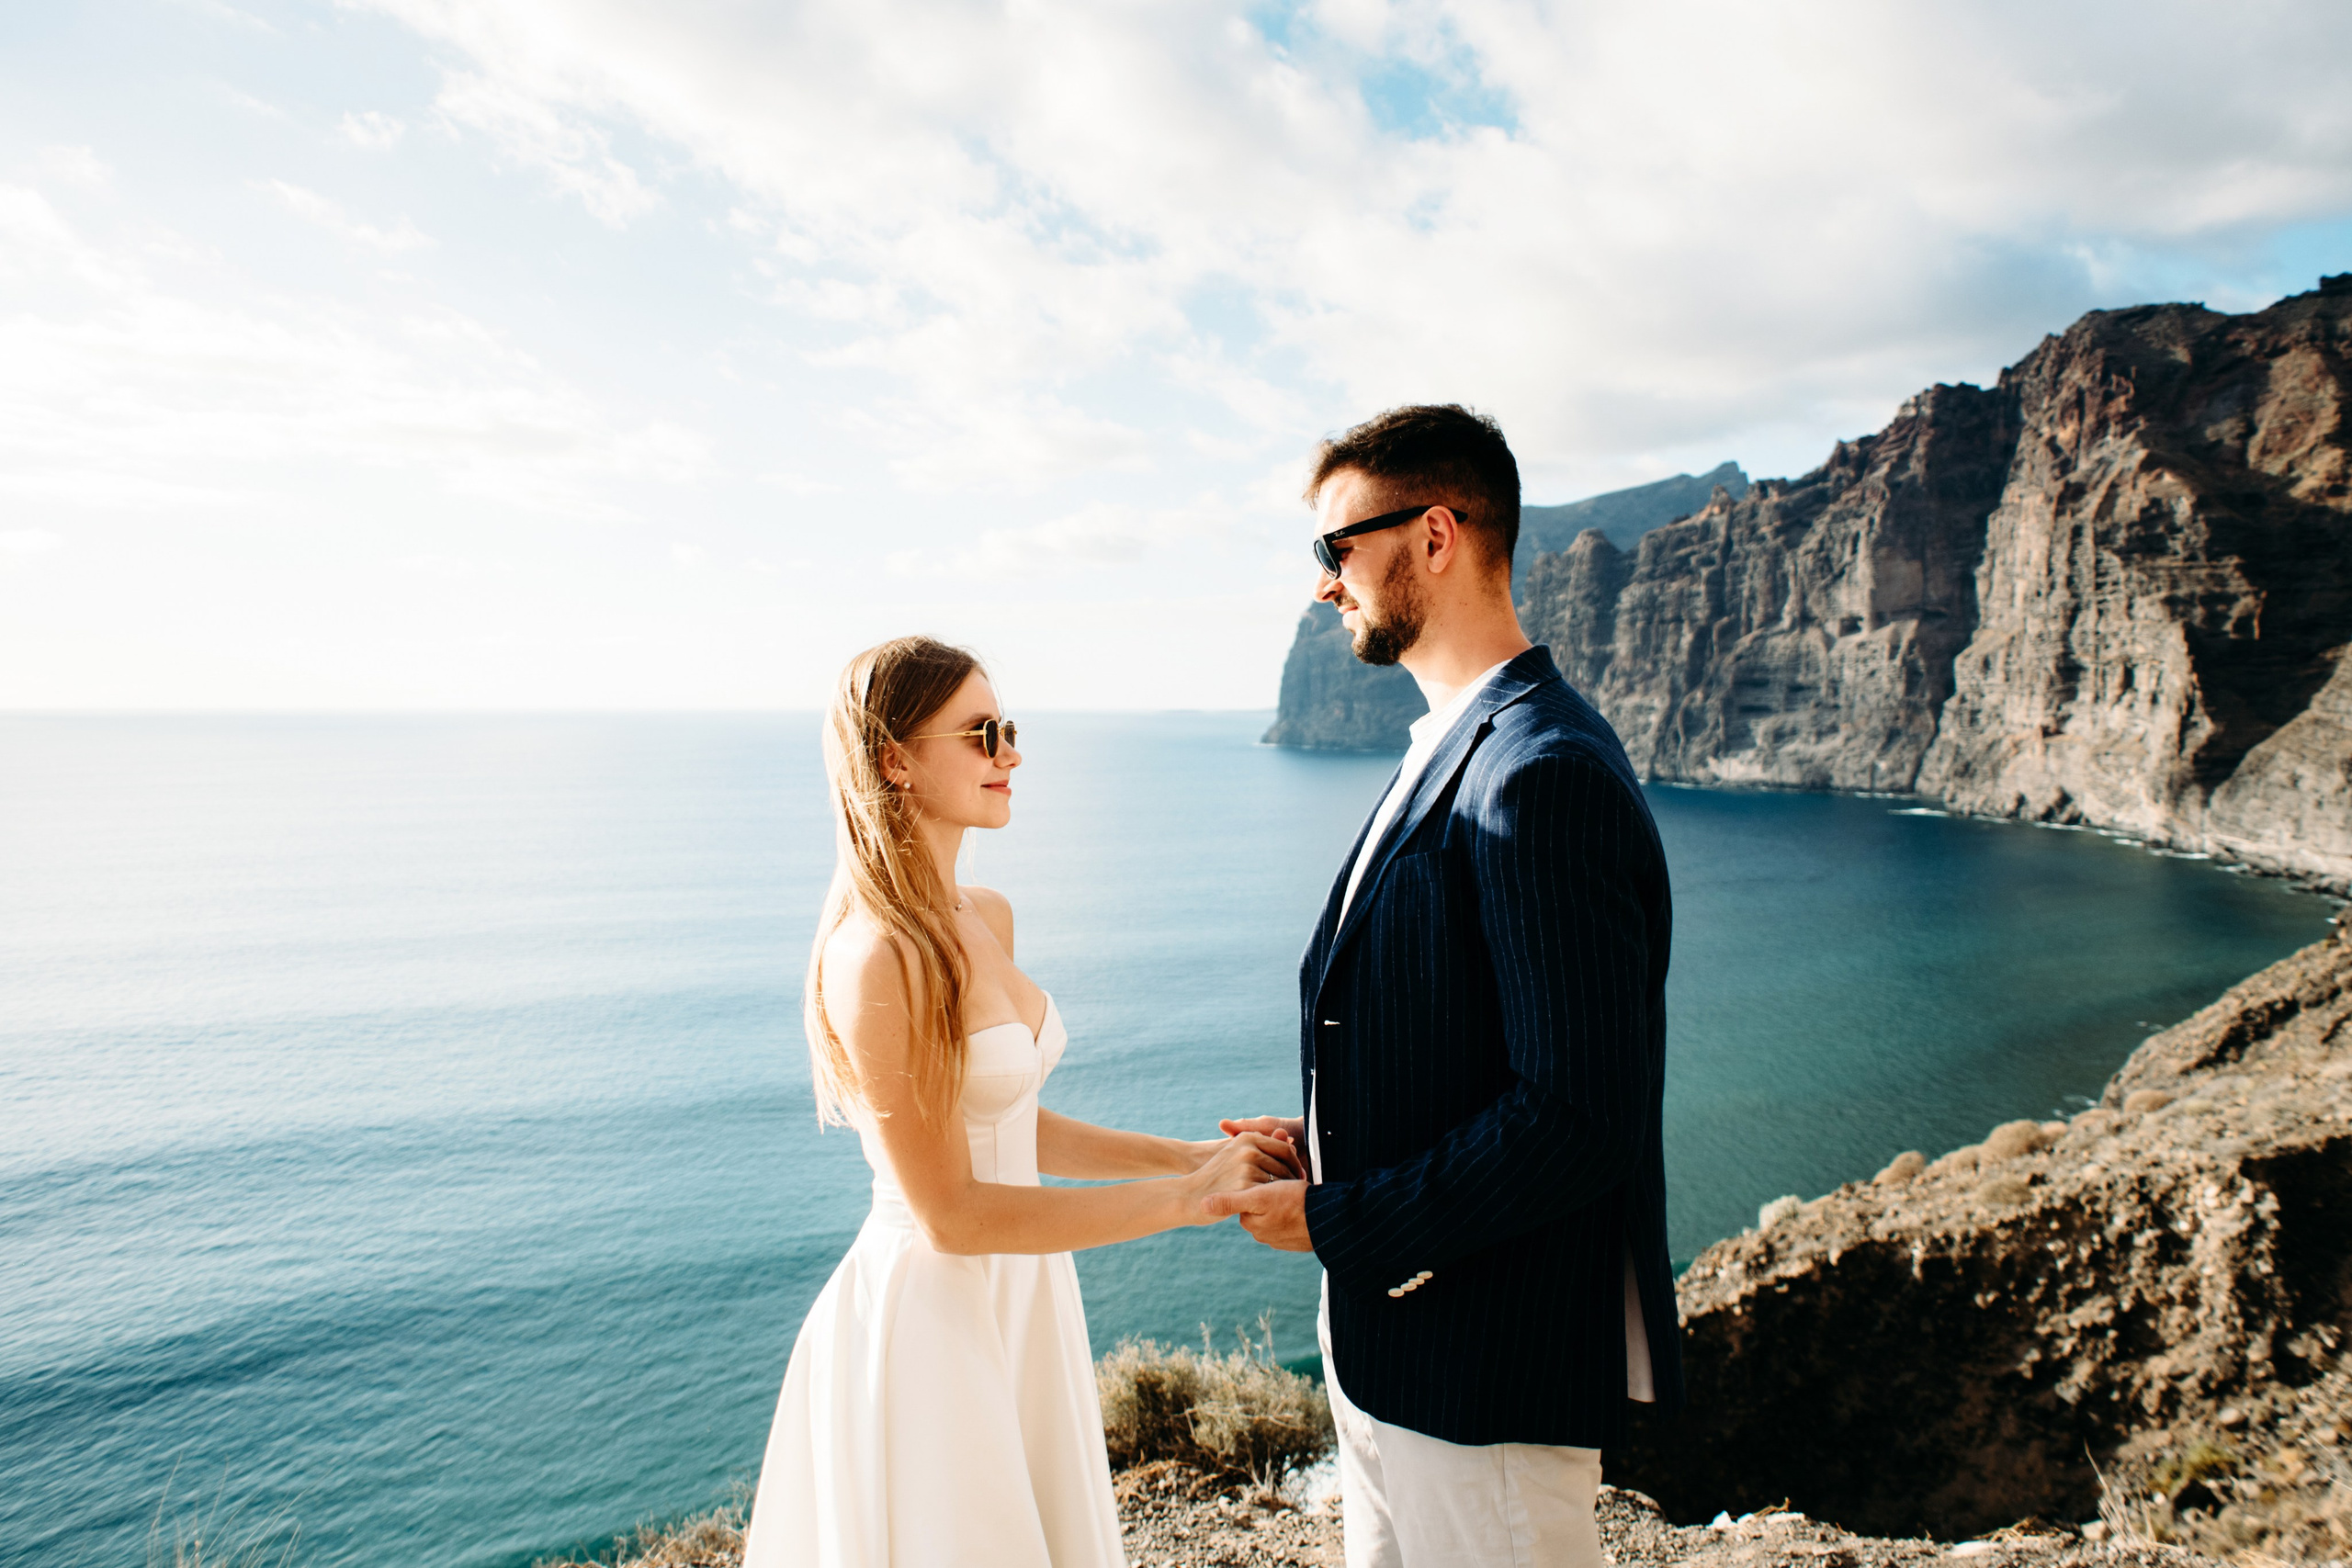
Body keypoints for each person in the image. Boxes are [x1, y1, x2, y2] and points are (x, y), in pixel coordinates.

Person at [1210, 405, 1684, 1568]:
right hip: (1399, 1349)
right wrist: (1334, 1135)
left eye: (1337, 549)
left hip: (1487, 1375)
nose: (1325, 587)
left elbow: (1576, 1118)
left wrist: (1337, 1219)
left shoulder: (1540, 772)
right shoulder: (1453, 743)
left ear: (1433, 536)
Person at [741, 635, 1303, 1568]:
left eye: (1009, 730)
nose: (1010, 755)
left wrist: (1193, 1156)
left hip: (1027, 1288)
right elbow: (952, 1215)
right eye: (981, 734)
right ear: (895, 760)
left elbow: (1005, 1123)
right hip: (934, 1313)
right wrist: (1195, 1201)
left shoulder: (985, 914)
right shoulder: (873, 954)